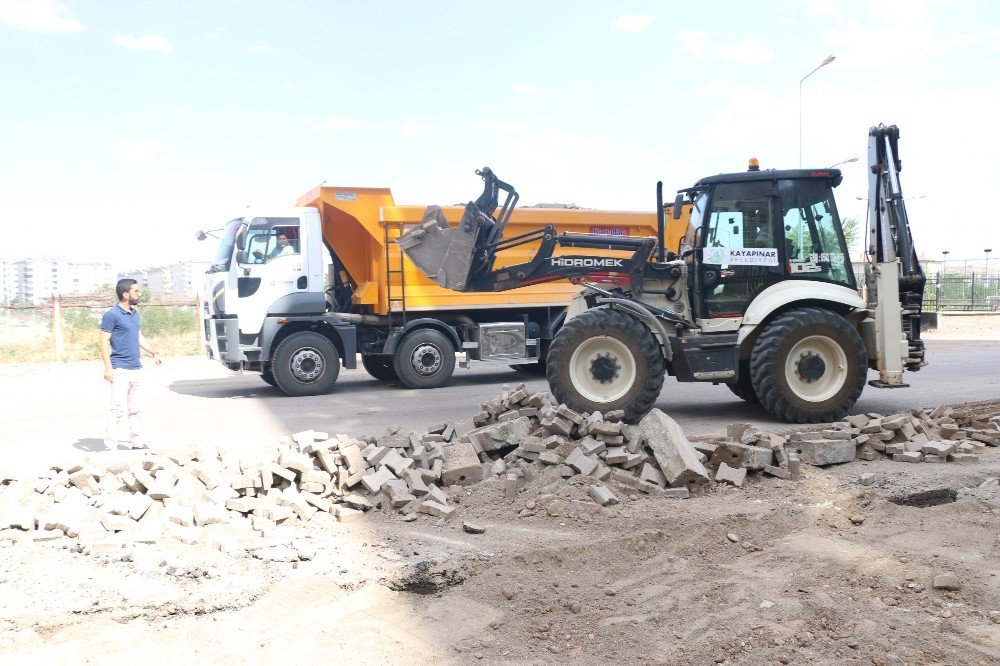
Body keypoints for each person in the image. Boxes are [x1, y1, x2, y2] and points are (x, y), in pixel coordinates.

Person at [100, 278, 162, 450]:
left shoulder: (134, 313)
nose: (139, 294)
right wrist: (108, 368)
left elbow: (139, 337)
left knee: (136, 409)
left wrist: (154, 352)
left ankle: (137, 441)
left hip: (136, 368)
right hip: (120, 369)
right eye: (136, 291)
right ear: (125, 294)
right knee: (117, 408)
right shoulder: (112, 315)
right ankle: (110, 445)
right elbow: (104, 341)